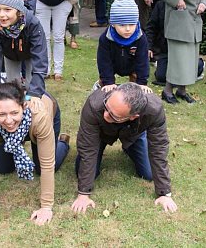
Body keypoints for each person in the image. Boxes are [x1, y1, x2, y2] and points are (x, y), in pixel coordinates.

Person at [0, 80, 70, 225]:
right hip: (7, 132)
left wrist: (46, 207)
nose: (9, 120)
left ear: (23, 106)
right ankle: (16, 141)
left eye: (14, 113)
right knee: (3, 169)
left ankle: (62, 143)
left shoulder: (40, 116)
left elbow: (47, 164)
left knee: (42, 168)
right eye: (2, 114)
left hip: (43, 120)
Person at [71, 82, 178, 214]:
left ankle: (130, 147)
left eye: (113, 115)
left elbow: (159, 148)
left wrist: (164, 193)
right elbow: (87, 149)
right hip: (101, 134)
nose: (105, 114)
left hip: (133, 133)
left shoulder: (154, 110)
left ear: (133, 116)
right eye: (106, 107)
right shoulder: (94, 104)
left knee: (148, 173)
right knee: (85, 172)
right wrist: (83, 194)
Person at [0, 0, 47, 99]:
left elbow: (40, 58)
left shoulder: (33, 24)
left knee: (31, 85)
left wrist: (35, 93)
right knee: (12, 87)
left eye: (7, 10)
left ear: (18, 10)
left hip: (31, 55)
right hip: (10, 55)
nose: (1, 15)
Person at [146, 1, 205, 85]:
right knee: (161, 77)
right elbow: (151, 27)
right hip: (166, 49)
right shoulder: (160, 5)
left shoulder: (191, 4)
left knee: (183, 76)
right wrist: (148, 47)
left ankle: (199, 64)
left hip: (184, 49)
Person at [96, 0, 149, 88]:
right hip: (113, 64)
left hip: (133, 66)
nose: (128, 29)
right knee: (106, 87)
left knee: (137, 90)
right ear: (112, 23)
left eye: (132, 24)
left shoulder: (140, 38)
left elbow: (143, 61)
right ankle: (99, 87)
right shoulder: (105, 38)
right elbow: (103, 62)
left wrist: (142, 83)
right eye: (122, 25)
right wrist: (108, 82)